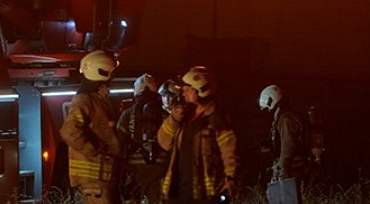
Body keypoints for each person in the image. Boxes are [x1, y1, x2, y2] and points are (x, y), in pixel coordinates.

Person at [157, 66, 238, 204]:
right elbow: (164, 143)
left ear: (201, 90)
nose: (183, 93)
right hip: (178, 192)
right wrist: (174, 119)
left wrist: (230, 180)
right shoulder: (184, 117)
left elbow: (229, 152)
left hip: (204, 194)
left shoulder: (216, 119)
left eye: (187, 89)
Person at [61, 50, 125, 204]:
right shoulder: (84, 100)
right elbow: (69, 131)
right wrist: (94, 149)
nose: (112, 77)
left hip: (103, 177)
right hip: (95, 178)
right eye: (111, 72)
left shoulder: (97, 99)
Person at [117, 74, 167, 203]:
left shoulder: (127, 114)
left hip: (135, 171)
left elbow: (118, 143)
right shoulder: (165, 115)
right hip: (160, 170)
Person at [258, 85, 310, 203]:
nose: (268, 111)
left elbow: (288, 146)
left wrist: (283, 170)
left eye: (267, 108)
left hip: (291, 169)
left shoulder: (286, 118)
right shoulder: (281, 118)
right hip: (287, 169)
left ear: (271, 100)